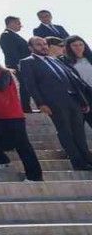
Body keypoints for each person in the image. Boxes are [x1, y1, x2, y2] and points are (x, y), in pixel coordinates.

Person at [18, 36, 92, 171]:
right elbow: (30, 85)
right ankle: (78, 163)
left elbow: (72, 80)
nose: (43, 47)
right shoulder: (27, 62)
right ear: (31, 48)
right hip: (54, 103)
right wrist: (41, 103)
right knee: (66, 132)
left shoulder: (56, 60)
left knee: (79, 133)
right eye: (39, 44)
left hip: (73, 100)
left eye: (45, 44)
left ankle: (87, 159)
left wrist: (83, 101)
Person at [0, 50, 43, 181]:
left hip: (11, 114)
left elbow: (1, 86)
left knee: (23, 146)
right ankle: (1, 160)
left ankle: (35, 176)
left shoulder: (3, 72)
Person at [0, 16, 36, 113]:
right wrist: (18, 65)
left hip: (21, 65)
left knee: (25, 85)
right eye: (18, 23)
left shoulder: (13, 35)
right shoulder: (7, 35)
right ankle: (25, 107)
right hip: (17, 65)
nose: (21, 26)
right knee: (24, 85)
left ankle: (26, 106)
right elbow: (11, 52)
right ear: (11, 23)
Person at [60, 35, 92, 130]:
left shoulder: (90, 58)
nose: (78, 47)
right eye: (75, 45)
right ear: (68, 47)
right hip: (81, 98)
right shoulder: (64, 61)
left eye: (81, 44)